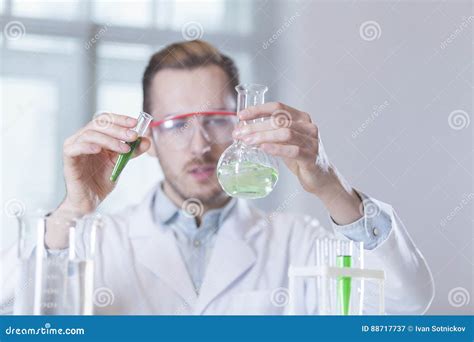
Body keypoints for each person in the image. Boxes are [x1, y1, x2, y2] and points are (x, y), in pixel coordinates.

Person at [3, 40, 434, 315]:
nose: (200, 145)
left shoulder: (296, 242)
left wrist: (331, 186)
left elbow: (405, 304)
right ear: (146, 135)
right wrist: (72, 211)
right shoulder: (97, 242)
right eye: (176, 124)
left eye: (215, 119)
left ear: (243, 121)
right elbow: (17, 313)